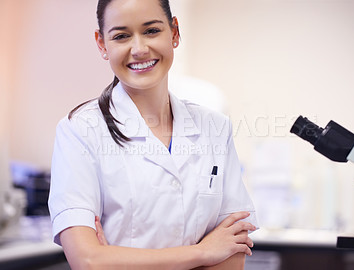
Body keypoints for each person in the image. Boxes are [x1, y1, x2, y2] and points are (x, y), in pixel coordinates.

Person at [48, 0, 258, 269]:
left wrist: (118, 259)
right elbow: (88, 260)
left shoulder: (215, 128)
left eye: (151, 31)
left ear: (174, 33)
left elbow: (232, 251)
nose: (139, 49)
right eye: (121, 36)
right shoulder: (79, 130)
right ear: (102, 44)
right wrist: (203, 252)